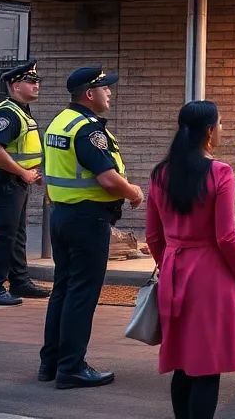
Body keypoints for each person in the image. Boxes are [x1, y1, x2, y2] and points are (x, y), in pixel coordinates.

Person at [39, 67, 144, 389]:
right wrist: (134, 193)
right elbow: (108, 179)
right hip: (86, 220)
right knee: (82, 293)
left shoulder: (60, 122)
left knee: (64, 289)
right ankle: (72, 367)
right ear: (89, 94)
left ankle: (51, 363)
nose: (109, 92)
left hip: (62, 216)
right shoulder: (87, 129)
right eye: (104, 88)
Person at [146, 101, 235, 419]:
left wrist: (168, 263)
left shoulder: (160, 173)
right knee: (207, 365)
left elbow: (153, 236)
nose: (222, 129)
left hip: (174, 270)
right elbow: (226, 236)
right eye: (219, 124)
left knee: (182, 362)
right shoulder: (219, 172)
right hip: (211, 275)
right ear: (208, 131)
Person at [0, 59, 51, 306]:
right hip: (4, 182)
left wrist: (30, 173)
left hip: (15, 182)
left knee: (17, 235)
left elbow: (19, 149)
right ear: (16, 85)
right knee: (4, 237)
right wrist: (23, 172)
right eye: (31, 81)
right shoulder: (7, 112)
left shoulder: (21, 110)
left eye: (37, 81)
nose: (36, 85)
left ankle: (20, 281)